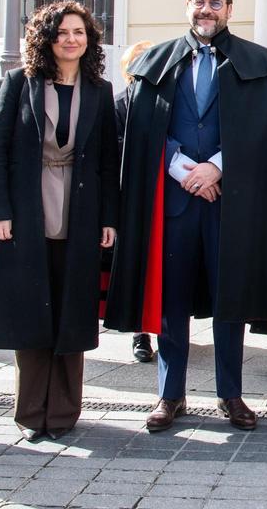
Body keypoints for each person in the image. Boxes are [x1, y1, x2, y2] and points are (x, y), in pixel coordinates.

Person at [105, 0, 267, 433]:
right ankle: (169, 395)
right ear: (187, 5)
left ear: (230, 9)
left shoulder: (259, 63)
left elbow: (265, 133)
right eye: (198, 1)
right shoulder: (156, 61)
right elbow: (140, 128)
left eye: (215, 3)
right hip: (172, 204)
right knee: (171, 301)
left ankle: (230, 393)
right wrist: (178, 166)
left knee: (228, 298)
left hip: (232, 204)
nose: (206, 10)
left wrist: (217, 165)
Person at [0, 0, 119, 442]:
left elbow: (106, 161)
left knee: (72, 312)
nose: (71, 39)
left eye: (79, 32)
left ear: (89, 40)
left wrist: (108, 218)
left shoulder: (99, 90)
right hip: (26, 213)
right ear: (47, 38)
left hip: (79, 215)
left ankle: (63, 413)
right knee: (31, 312)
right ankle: (30, 413)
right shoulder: (19, 83)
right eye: (62, 32)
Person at [114, 40, 156, 364]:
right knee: (138, 265)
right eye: (138, 61)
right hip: (131, 196)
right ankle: (140, 332)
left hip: (165, 193)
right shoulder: (119, 103)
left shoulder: (167, 101)